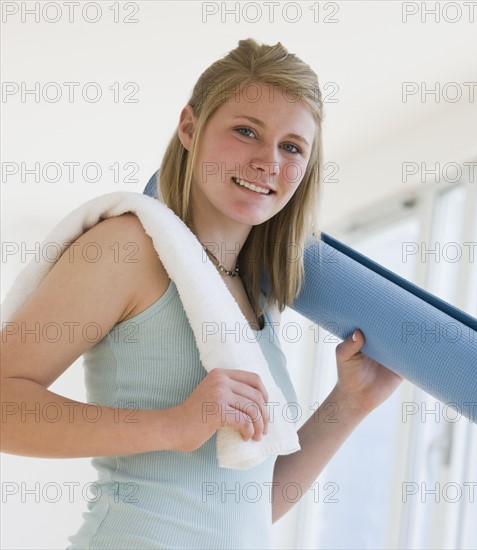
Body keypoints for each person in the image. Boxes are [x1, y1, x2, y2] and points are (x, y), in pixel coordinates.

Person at [0, 38, 402, 549]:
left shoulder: (253, 298)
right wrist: (171, 426)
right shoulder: (128, 247)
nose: (267, 162)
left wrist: (349, 403)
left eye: (291, 147)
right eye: (245, 131)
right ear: (189, 128)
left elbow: (247, 509)